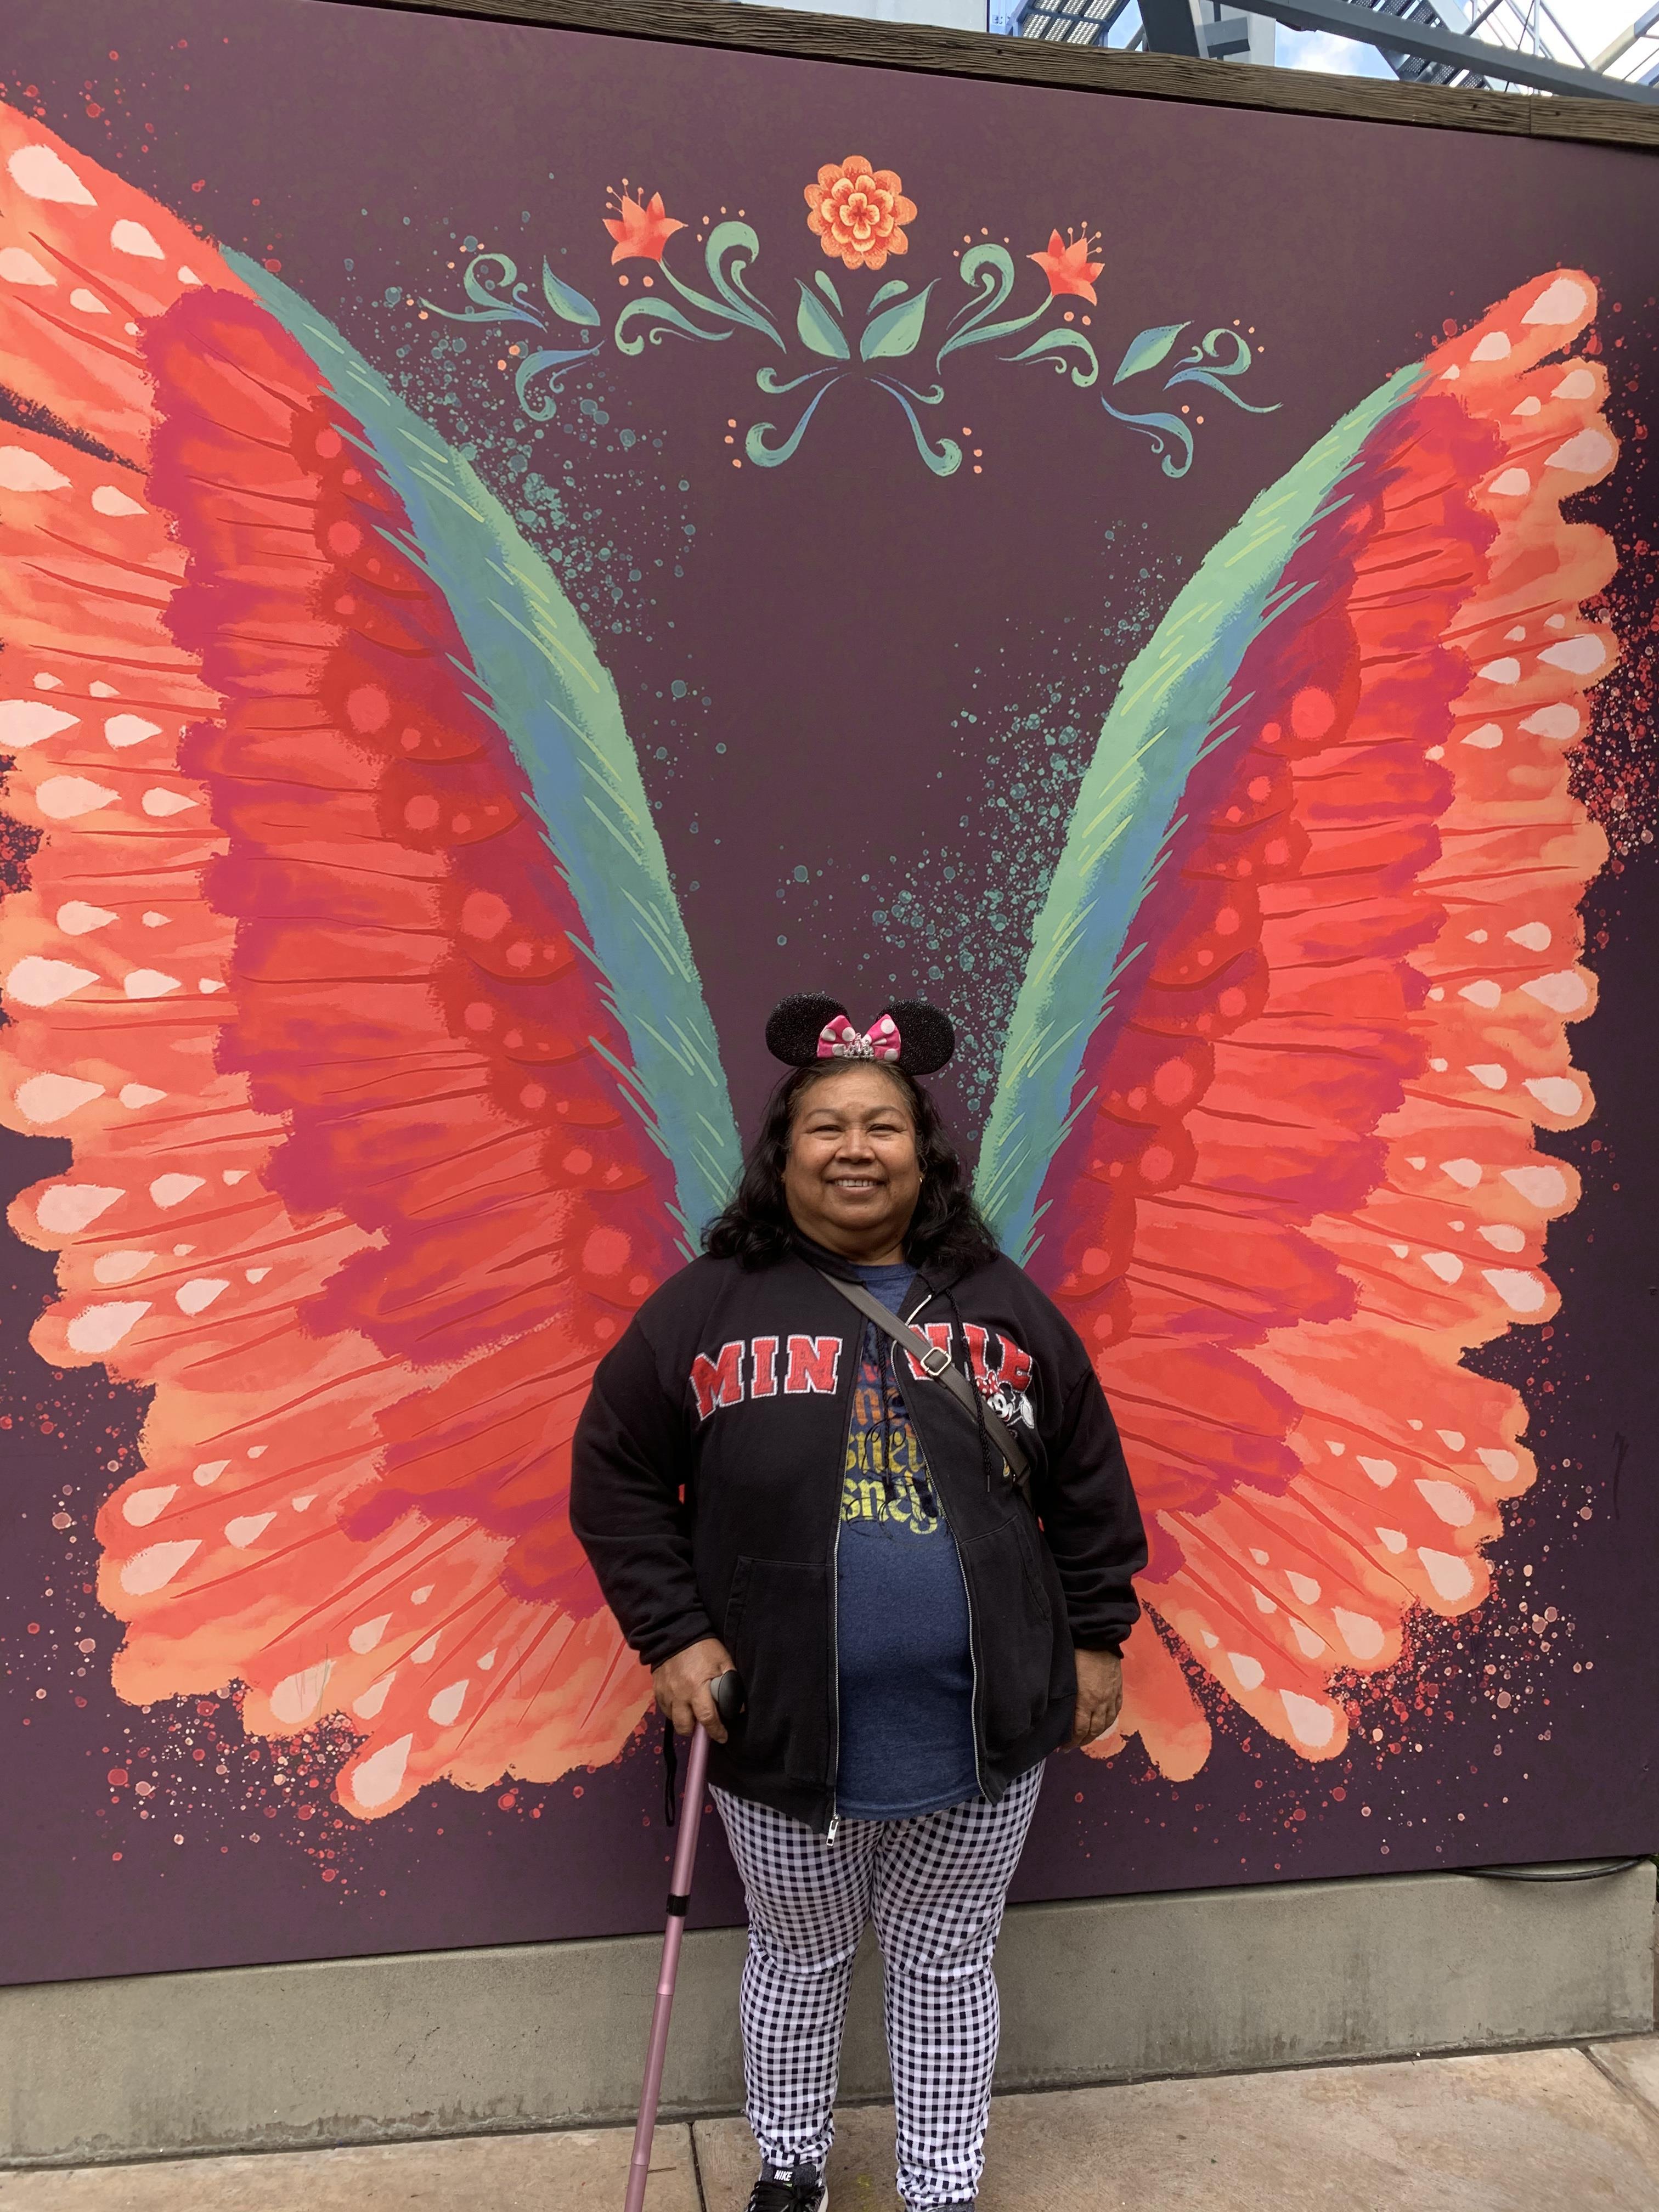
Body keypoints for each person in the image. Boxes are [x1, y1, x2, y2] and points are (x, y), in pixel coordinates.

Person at [571, 993, 1147, 2212]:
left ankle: (940, 2188)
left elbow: (1089, 1481)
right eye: (825, 1126)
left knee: (947, 1964)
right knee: (798, 1958)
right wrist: (674, 1635)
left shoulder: (1000, 1303)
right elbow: (614, 1474)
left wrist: (1098, 1637)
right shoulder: (708, 1306)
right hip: (775, 1718)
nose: (854, 1148)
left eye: (882, 1126)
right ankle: (790, 2173)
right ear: (783, 1155)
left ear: (921, 1155)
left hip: (983, 1720)